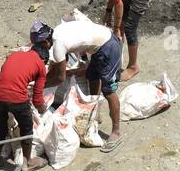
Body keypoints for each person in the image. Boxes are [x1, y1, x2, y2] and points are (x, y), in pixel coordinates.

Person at [71, 0, 156, 80]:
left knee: (129, 28)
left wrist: (116, 28)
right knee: (122, 21)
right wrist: (108, 12)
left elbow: (119, 2)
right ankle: (116, 56)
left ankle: (133, 67)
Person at [48, 13, 125, 154]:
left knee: (109, 91)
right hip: (99, 45)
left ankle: (116, 132)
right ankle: (95, 110)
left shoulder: (58, 45)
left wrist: (42, 85)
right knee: (92, 76)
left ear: (47, 43)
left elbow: (59, 77)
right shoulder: (57, 31)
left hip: (109, 47)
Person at [0, 21, 53, 171]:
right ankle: (27, 162)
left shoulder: (15, 54)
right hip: (17, 100)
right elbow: (37, 99)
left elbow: (7, 76)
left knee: (0, 127)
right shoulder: (41, 66)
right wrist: (43, 110)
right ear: (44, 59)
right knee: (26, 129)